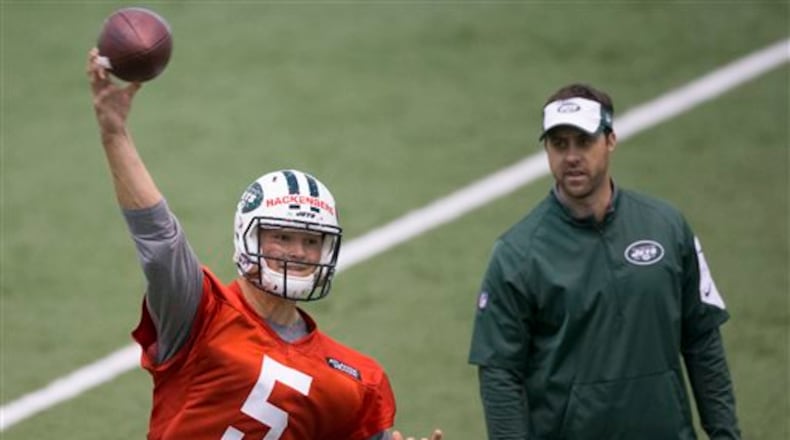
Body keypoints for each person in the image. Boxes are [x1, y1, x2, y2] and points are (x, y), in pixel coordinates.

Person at [86, 48, 442, 440]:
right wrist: (114, 133)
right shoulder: (198, 313)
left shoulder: (357, 381)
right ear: (247, 237)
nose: (298, 252)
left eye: (311, 241)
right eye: (283, 236)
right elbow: (159, 238)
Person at [468, 83, 740, 439]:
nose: (571, 157)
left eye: (584, 141)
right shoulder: (517, 253)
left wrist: (726, 435)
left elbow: (702, 339)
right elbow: (500, 374)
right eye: (559, 144)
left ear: (610, 140)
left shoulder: (667, 227)